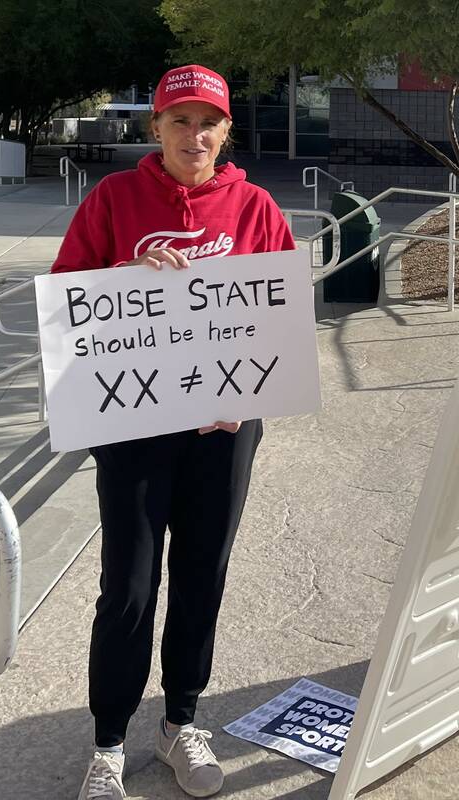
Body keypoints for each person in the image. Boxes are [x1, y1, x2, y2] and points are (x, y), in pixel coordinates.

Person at [52, 64, 295, 800]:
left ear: (227, 130)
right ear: (154, 127)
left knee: (201, 576)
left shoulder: (254, 207)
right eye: (180, 121)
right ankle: (109, 740)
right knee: (127, 585)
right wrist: (125, 274)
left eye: (208, 122)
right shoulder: (114, 197)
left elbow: (283, 314)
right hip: (132, 425)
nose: (195, 135)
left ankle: (180, 722)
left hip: (220, 429)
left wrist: (248, 392)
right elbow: (67, 295)